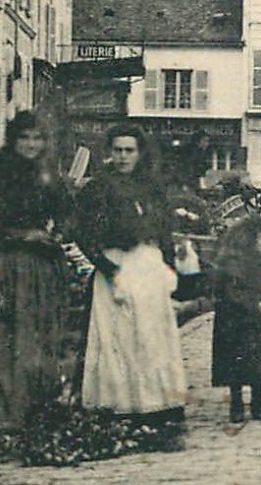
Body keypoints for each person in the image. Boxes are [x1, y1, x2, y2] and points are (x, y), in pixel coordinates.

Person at [0, 112, 73, 442]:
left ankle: (32, 413)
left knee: (36, 341)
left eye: (38, 138)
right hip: (3, 266)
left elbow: (67, 213)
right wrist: (23, 235)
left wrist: (59, 232)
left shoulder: (49, 175)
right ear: (13, 140)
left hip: (41, 270)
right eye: (25, 138)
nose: (31, 145)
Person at [74, 124, 187, 449]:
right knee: (118, 340)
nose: (123, 157)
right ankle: (120, 409)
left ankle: (156, 408)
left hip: (148, 267)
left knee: (152, 339)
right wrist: (108, 268)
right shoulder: (96, 189)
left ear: (140, 153)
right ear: (109, 153)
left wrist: (169, 267)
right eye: (118, 150)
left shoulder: (151, 187)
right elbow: (82, 232)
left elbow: (164, 230)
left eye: (129, 150)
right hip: (117, 269)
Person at [211, 203, 261, 423]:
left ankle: (256, 402)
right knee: (239, 365)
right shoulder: (231, 261)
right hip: (237, 318)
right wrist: (255, 304)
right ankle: (238, 404)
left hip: (252, 318)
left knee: (256, 363)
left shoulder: (256, 258)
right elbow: (231, 292)